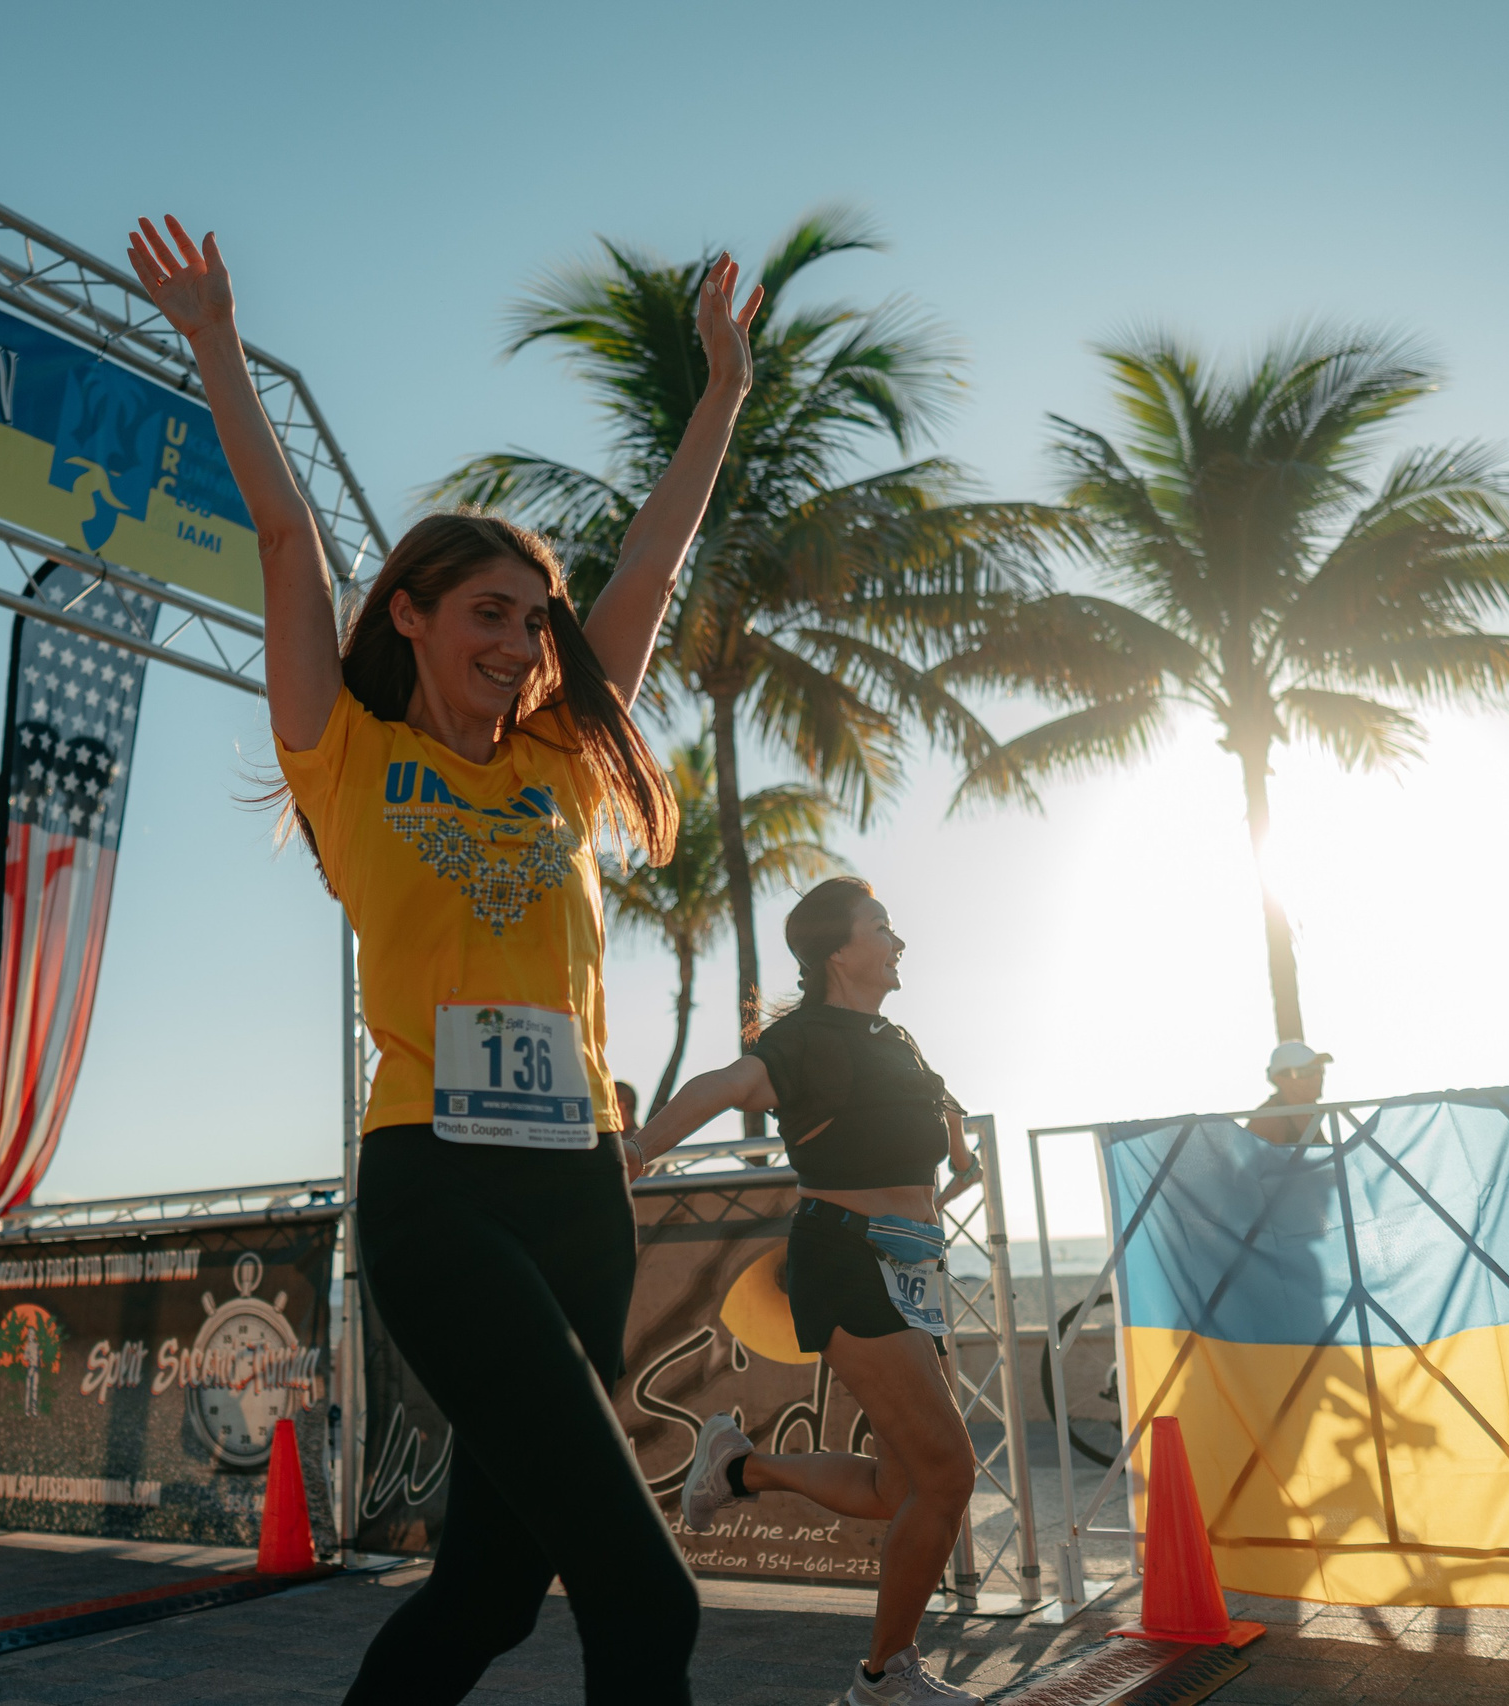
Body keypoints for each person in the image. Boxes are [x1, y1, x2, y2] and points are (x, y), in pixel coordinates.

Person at [126, 213, 757, 1704]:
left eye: (535, 623)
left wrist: (723, 392)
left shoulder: (564, 763)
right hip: (437, 1184)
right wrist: (215, 340)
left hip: (582, 1195)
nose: (521, 644)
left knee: (485, 1594)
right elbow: (287, 537)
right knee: (645, 1600)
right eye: (489, 614)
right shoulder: (348, 755)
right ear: (407, 614)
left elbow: (651, 567)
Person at [625, 877, 985, 1705]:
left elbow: (933, 1124)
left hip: (910, 1269)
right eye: (881, 927)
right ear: (837, 952)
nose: (898, 941)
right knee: (947, 1474)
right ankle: (883, 1679)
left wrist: (957, 1162)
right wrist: (637, 1152)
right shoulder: (808, 1039)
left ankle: (740, 1469)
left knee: (898, 1489)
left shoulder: (896, 1037)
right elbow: (722, 1085)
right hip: (848, 1259)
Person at [1247, 1041, 1331, 1144]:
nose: (1317, 1077)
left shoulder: (1309, 1113)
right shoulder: (1266, 1119)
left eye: (1319, 1069)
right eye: (1305, 1071)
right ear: (1280, 1079)